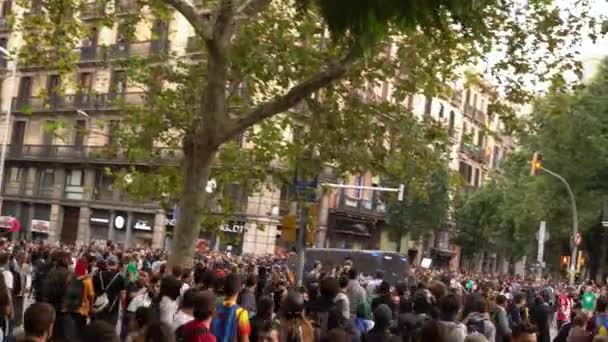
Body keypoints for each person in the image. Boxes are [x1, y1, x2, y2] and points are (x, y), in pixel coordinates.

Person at [211, 274, 251, 342]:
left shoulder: (213, 308)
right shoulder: (242, 313)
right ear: (240, 289)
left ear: (224, 287)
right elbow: (244, 340)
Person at [92, 256, 125, 326]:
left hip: (98, 307)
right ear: (116, 264)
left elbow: (92, 293)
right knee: (109, 331)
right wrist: (123, 310)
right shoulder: (120, 278)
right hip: (112, 309)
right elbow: (123, 296)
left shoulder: (97, 275)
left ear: (107, 264)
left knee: (97, 329)